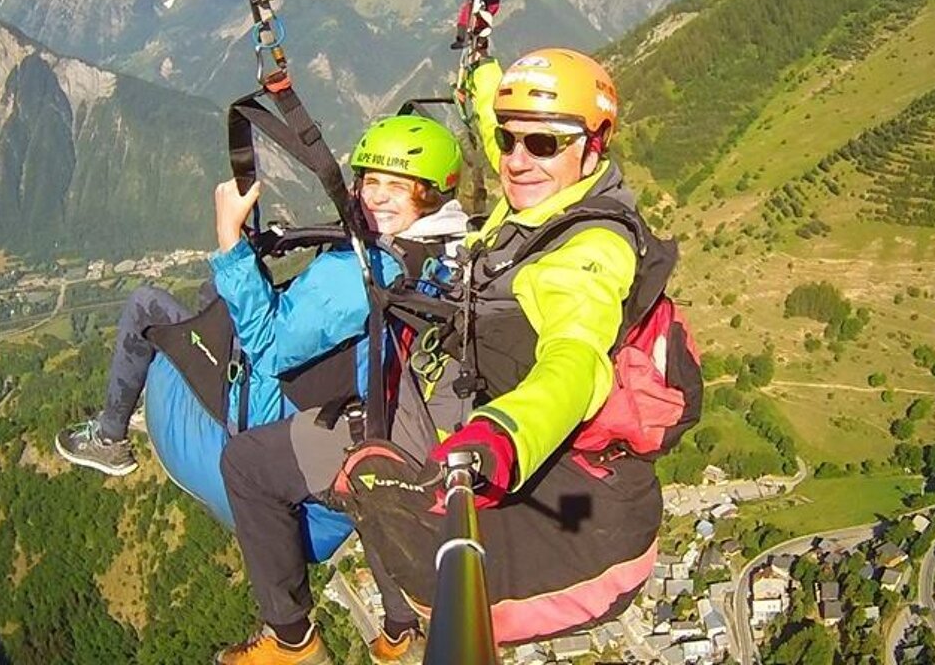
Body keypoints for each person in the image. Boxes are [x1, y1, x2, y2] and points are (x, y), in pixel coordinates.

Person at [220, 45, 676, 663]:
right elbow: (499, 130)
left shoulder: (586, 255)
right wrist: (483, 69)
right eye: (510, 139)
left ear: (594, 145)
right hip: (439, 395)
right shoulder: (548, 200)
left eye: (542, 144)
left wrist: (505, 435)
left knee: (249, 464)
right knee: (368, 464)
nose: (517, 160)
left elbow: (576, 361)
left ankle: (292, 641)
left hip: (450, 428)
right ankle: (399, 628)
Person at [53, 115, 467, 652]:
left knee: (148, 304)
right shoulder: (446, 255)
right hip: (377, 413)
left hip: (274, 406)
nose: (377, 196)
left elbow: (270, 347)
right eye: (371, 181)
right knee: (365, 460)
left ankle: (109, 439)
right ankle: (399, 629)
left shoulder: (364, 271)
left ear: (430, 195)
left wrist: (230, 240)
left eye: (399, 186)